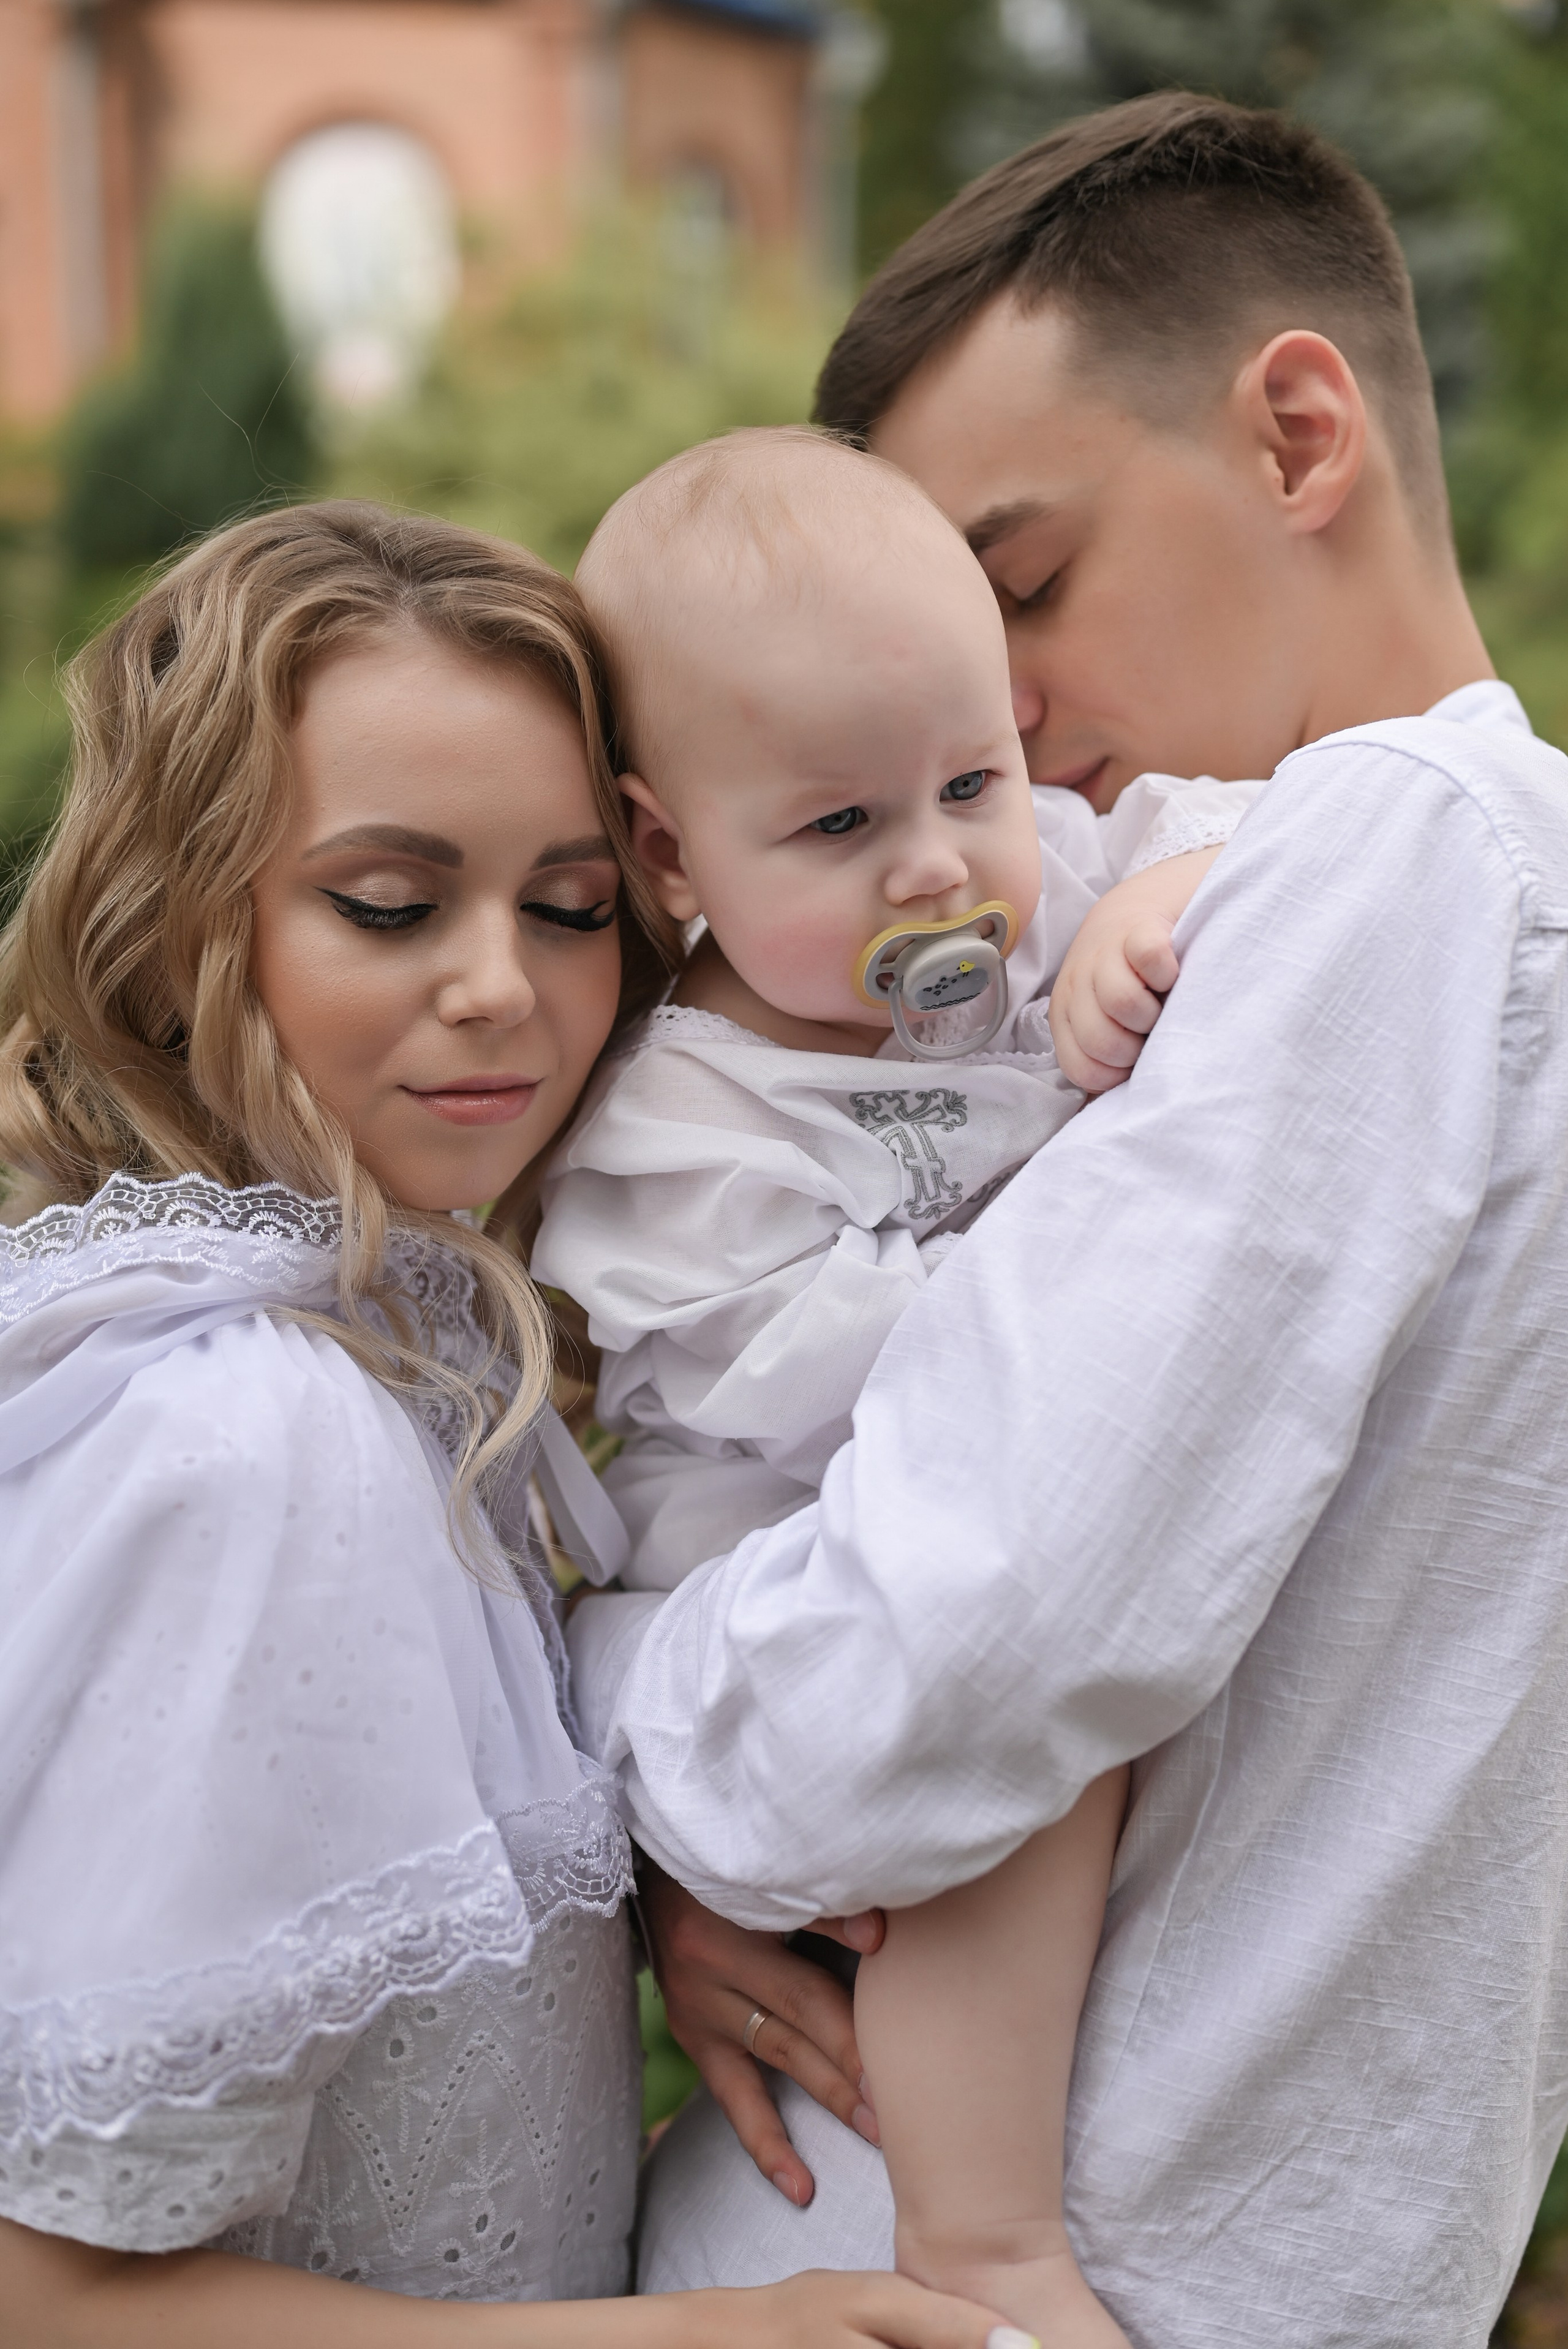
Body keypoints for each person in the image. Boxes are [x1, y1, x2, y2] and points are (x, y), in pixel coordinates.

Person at [577, 94, 1568, 2349]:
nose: (993, 720)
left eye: (1018, 585)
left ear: (1299, 433)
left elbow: (941, 1669)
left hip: (1013, 2268)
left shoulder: (1387, 859)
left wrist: (627, 1759)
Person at [0, 500, 1017, 2349]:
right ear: (174, 915)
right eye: (388, 902)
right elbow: (46, 2290)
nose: (505, 986)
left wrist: (640, 1903)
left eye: (567, 908)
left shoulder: (415, 1356)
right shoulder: (242, 1439)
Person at [532, 424, 1256, 2346]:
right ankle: (986, 2227)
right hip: (782, 1564)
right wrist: (1082, 1202)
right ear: (673, 848)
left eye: (972, 780)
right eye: (842, 828)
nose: (941, 863)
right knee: (1008, 1751)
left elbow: (1224, 822)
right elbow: (815, 1376)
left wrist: (1132, 906)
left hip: (975, 1493)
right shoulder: (680, 1120)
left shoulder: (1027, 904)